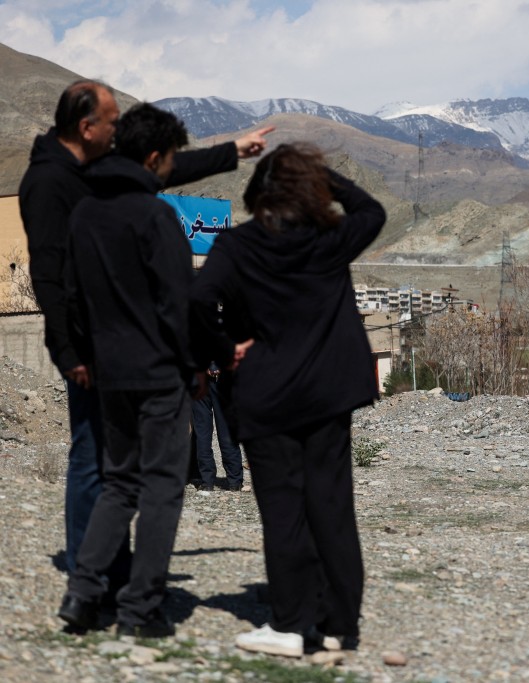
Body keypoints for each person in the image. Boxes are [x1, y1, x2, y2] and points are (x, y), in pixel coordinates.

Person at [17, 79, 272, 588]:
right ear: (87, 127)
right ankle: (93, 576)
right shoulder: (50, 183)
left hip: (110, 347)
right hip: (87, 350)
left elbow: (157, 167)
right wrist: (68, 351)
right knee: (94, 460)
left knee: (114, 467)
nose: (117, 132)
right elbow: (47, 276)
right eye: (111, 122)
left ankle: (105, 569)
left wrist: (231, 152)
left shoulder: (92, 170)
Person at [190, 143, 386, 657]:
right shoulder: (330, 238)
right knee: (332, 506)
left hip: (267, 394)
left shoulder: (237, 245)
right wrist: (326, 178)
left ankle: (292, 626)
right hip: (328, 394)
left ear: (258, 192)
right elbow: (373, 211)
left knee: (283, 511)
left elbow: (196, 299)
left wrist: (222, 349)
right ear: (312, 192)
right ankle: (341, 625)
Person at [56, 103, 205, 637]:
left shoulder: (85, 213)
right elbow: (178, 300)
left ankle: (82, 594)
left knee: (119, 484)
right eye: (169, 162)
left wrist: (85, 356)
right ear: (153, 157)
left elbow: (72, 297)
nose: (169, 171)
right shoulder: (154, 215)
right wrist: (196, 365)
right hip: (159, 371)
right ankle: (141, 610)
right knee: (163, 487)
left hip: (108, 373)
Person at [191, 363, 244, 491]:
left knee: (202, 432)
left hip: (198, 377)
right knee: (225, 429)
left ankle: (207, 481)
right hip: (221, 376)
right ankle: (234, 480)